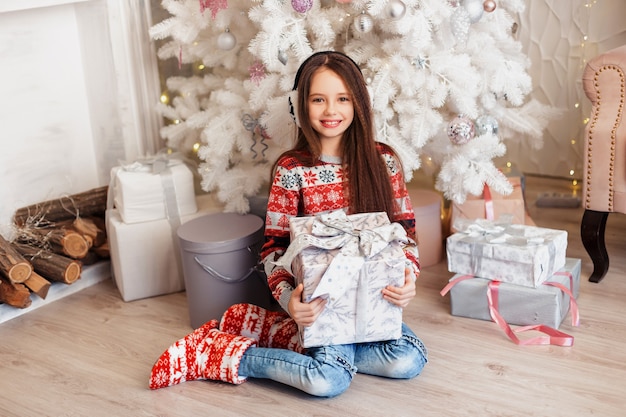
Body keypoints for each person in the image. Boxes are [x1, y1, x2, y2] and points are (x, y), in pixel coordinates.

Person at [149, 51, 428, 397]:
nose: (331, 111)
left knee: (409, 360)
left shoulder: (383, 161)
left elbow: (406, 233)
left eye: (342, 99)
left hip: (373, 303)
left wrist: (407, 278)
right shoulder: (292, 169)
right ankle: (225, 353)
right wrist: (289, 301)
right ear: (301, 106)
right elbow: (274, 250)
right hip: (323, 307)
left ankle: (282, 333)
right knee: (326, 380)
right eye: (318, 100)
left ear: (359, 103)